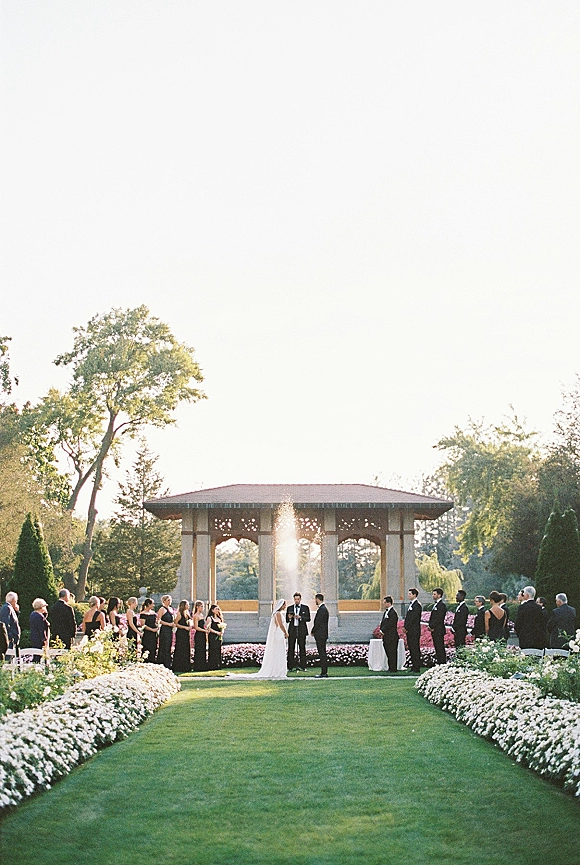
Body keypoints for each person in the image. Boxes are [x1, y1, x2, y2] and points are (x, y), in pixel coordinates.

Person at [227, 600, 289, 679]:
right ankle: (278, 671)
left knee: (278, 651)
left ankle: (278, 670)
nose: (285, 606)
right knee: (279, 651)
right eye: (284, 605)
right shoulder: (278, 614)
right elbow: (280, 625)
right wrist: (286, 632)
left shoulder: (276, 614)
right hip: (279, 634)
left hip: (278, 634)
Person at [286, 592, 311, 671]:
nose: (296, 601)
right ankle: (290, 666)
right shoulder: (290, 608)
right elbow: (287, 620)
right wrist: (290, 618)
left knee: (302, 648)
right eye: (295, 599)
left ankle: (303, 666)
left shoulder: (305, 607)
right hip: (292, 630)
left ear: (300, 599)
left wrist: (300, 617)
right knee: (291, 648)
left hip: (301, 630)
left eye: (298, 599)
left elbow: (308, 618)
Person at [404, 587, 422, 673]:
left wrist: (407, 627)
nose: (408, 595)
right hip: (410, 630)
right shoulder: (411, 604)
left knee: (415, 648)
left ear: (414, 595)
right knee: (411, 648)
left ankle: (416, 667)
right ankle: (413, 666)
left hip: (414, 630)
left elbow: (414, 618)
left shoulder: (417, 605)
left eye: (410, 594)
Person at [172, 600, 193, 673]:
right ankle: (179, 666)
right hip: (181, 633)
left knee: (186, 648)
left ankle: (186, 666)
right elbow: (176, 623)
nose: (188, 606)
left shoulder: (187, 613)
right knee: (180, 648)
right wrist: (184, 627)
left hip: (186, 633)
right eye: (187, 605)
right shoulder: (179, 613)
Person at [312, 593, 329, 678]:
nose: (315, 601)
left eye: (315, 599)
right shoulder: (323, 609)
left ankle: (324, 672)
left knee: (322, 653)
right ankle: (323, 672)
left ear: (318, 599)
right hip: (322, 634)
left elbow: (318, 622)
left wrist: (313, 630)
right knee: (322, 653)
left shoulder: (322, 609)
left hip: (320, 635)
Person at [379, 595, 399, 673]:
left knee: (392, 652)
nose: (383, 604)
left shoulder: (393, 613)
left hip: (392, 636)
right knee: (388, 652)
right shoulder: (386, 612)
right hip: (386, 636)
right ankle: (390, 667)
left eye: (384, 603)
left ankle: (393, 668)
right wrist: (381, 629)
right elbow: (383, 622)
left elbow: (391, 624)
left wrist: (383, 630)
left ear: (388, 603)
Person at [429, 588, 447, 664]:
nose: (433, 596)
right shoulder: (436, 604)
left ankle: (442, 662)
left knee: (440, 647)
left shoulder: (441, 605)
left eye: (434, 594)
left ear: (439, 595)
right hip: (435, 630)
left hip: (438, 629)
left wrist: (432, 626)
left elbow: (439, 617)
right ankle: (439, 662)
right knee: (437, 646)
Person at [156, 595, 174, 668]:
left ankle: (168, 663)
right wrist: (168, 624)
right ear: (164, 601)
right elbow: (158, 620)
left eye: (170, 600)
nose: (170, 602)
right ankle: (162, 662)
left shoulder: (171, 609)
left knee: (168, 645)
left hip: (170, 630)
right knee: (164, 645)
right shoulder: (162, 609)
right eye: (168, 600)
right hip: (164, 630)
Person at [206, 604, 226, 670]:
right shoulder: (210, 618)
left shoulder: (219, 618)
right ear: (212, 610)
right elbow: (208, 628)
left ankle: (218, 665)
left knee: (218, 650)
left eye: (218, 609)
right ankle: (212, 665)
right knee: (212, 650)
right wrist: (216, 632)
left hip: (219, 636)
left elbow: (222, 626)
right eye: (216, 609)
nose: (217, 610)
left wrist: (222, 631)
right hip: (212, 636)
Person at [139, 598, 159, 663]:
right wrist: (152, 630)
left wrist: (157, 627)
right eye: (152, 604)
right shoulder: (143, 614)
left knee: (154, 647)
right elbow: (143, 625)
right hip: (147, 634)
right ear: (148, 604)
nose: (153, 605)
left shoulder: (153, 613)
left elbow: (155, 622)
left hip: (154, 634)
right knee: (147, 648)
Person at [192, 600, 209, 671]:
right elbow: (196, 627)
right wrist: (204, 630)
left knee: (203, 649)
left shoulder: (202, 615)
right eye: (201, 606)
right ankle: (198, 666)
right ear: (197, 607)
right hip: (199, 634)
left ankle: (203, 665)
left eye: (203, 606)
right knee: (199, 649)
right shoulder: (196, 616)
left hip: (203, 634)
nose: (203, 608)